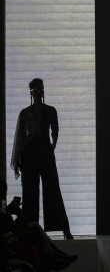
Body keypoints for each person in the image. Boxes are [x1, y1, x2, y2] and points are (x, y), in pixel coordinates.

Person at [10, 78, 73, 239]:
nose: (37, 93)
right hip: (29, 155)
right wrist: (17, 160)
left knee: (52, 188)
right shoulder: (24, 113)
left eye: (39, 90)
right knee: (29, 192)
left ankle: (64, 228)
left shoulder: (51, 110)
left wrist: (52, 147)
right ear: (30, 93)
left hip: (45, 153)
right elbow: (19, 138)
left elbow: (55, 131)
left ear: (43, 91)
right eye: (34, 91)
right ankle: (30, 231)